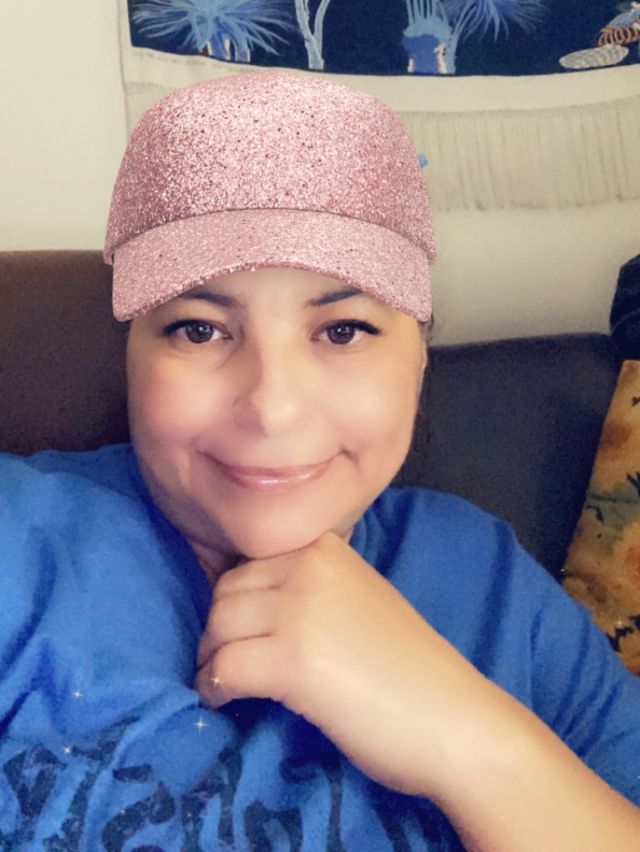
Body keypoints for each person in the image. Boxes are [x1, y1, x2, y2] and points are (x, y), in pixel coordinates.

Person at [1, 70, 639, 851]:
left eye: (343, 331)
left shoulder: (493, 586)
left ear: (419, 356)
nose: (273, 407)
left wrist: (465, 734)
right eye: (199, 329)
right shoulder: (19, 546)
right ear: (131, 354)